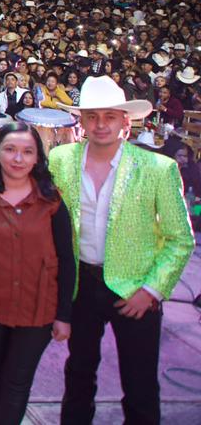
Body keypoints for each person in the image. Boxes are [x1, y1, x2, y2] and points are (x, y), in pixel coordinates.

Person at [49, 75, 194, 425]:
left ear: (125, 121)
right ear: (80, 121)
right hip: (81, 285)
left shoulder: (159, 168)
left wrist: (152, 290)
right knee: (78, 375)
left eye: (109, 116)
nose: (100, 125)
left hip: (136, 287)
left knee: (140, 383)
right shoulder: (60, 160)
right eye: (92, 116)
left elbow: (180, 239)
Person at [0, 122, 75, 425]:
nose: (18, 159)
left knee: (17, 382)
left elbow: (66, 259)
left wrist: (64, 314)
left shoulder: (53, 201)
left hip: (38, 308)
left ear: (37, 158)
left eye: (27, 152)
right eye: (10, 149)